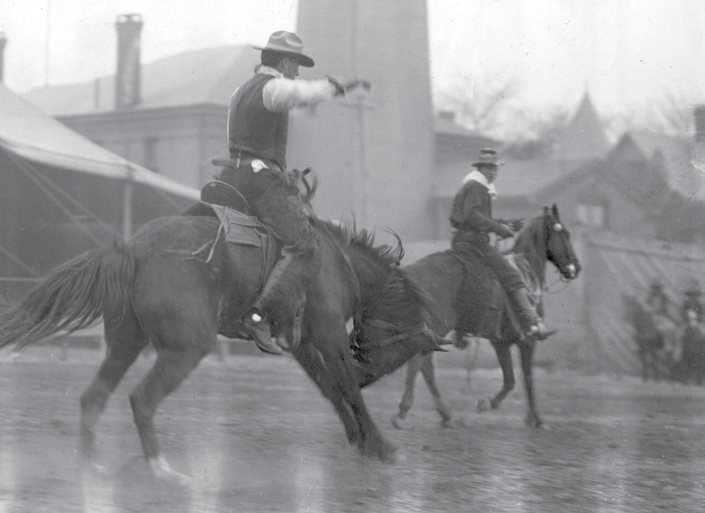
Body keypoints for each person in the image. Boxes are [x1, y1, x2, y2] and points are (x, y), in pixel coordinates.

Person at [220, 30, 368, 355]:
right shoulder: (274, 87)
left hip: (231, 177)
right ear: (285, 62)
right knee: (306, 248)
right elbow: (299, 91)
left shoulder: (239, 91)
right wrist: (336, 86)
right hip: (261, 184)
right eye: (296, 65)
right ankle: (258, 315)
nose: (297, 72)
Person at [449, 148, 555, 341]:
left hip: (465, 239)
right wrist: (498, 229)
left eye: (495, 168)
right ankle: (532, 323)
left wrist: (505, 223)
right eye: (488, 168)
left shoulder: (475, 186)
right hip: (474, 242)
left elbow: (480, 217)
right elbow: (471, 216)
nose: (492, 172)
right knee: (512, 276)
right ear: (479, 169)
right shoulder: (477, 186)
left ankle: (462, 330)